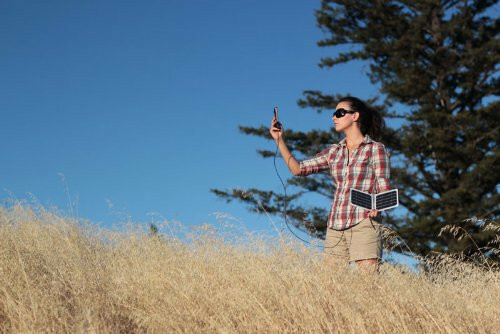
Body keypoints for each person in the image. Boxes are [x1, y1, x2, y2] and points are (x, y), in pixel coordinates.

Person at [269, 96, 391, 273]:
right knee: (330, 287)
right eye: (334, 114)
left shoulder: (375, 149)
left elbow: (384, 185)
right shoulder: (334, 152)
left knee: (369, 285)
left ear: (355, 116)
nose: (334, 117)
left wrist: (378, 207)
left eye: (340, 113)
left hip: (365, 222)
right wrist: (279, 140)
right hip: (335, 225)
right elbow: (298, 169)